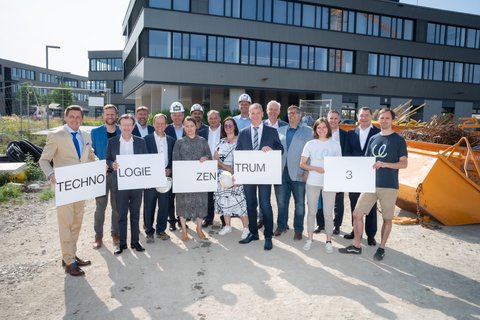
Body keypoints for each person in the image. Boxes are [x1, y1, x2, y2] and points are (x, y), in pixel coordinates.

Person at [339, 108, 408, 260]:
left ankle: (381, 247)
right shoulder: (374, 138)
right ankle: (357, 246)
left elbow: (404, 164)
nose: (384, 120)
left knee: (387, 219)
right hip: (369, 184)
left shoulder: (398, 140)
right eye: (382, 118)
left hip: (389, 185)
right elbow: (366, 162)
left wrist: (385, 164)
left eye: (387, 118)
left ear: (392, 120)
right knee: (357, 214)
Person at [39, 105, 96, 276]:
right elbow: (44, 160)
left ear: (82, 118)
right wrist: (50, 174)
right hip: (64, 187)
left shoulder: (85, 135)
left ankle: (70, 255)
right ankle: (69, 261)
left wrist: (101, 165)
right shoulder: (56, 136)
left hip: (81, 187)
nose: (75, 119)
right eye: (72, 116)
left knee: (77, 223)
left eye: (78, 117)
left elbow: (91, 157)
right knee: (66, 224)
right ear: (65, 117)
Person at [236, 103, 283, 251]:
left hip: (265, 174)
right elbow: (238, 153)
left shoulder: (271, 131)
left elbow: (280, 149)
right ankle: (253, 233)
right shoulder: (243, 133)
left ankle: (268, 236)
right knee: (250, 204)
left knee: (265, 204)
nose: (255, 115)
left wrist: (272, 149)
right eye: (252, 113)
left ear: (262, 114)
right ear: (248, 115)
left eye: (258, 113)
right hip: (248, 175)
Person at [106, 113, 148, 255]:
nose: (126, 127)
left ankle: (135, 241)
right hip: (120, 184)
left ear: (133, 126)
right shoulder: (112, 142)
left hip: (136, 184)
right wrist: (112, 164)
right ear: (119, 126)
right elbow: (107, 159)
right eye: (124, 125)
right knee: (121, 214)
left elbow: (145, 162)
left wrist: (146, 180)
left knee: (135, 214)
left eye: (129, 125)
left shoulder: (140, 142)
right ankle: (122, 243)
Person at [300, 118, 342, 253]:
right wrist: (314, 168)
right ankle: (310, 238)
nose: (322, 130)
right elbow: (302, 164)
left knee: (328, 213)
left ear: (328, 128)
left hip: (329, 183)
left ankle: (329, 241)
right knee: (311, 211)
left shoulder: (335, 145)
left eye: (324, 127)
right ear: (315, 129)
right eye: (319, 128)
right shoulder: (310, 144)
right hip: (313, 182)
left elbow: (339, 165)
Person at [343, 107, 381, 246]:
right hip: (354, 175)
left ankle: (371, 235)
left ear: (371, 117)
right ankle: (355, 231)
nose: (363, 118)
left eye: (366, 115)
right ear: (357, 117)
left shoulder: (378, 133)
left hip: (371, 175)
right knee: (354, 205)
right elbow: (346, 153)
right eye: (361, 115)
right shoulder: (350, 133)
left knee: (370, 206)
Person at [274, 105, 312, 240]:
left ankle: (298, 229)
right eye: (289, 113)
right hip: (282, 172)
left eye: (295, 113)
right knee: (282, 202)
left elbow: (311, 153)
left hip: (299, 172)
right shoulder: (280, 130)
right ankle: (281, 226)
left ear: (300, 115)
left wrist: (308, 170)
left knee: (300, 204)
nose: (292, 115)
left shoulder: (308, 131)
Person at [172, 116, 212, 241]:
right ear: (183, 127)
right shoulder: (179, 142)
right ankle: (184, 230)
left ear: (196, 127)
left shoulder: (203, 141)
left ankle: (199, 228)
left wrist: (205, 158)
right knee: (183, 204)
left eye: (192, 126)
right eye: (187, 126)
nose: (189, 128)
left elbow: (209, 157)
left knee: (201, 203)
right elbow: (175, 161)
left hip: (199, 181)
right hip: (184, 180)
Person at [90, 104, 121, 250]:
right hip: (101, 176)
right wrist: (98, 164)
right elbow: (91, 152)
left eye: (112, 114)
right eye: (107, 114)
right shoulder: (95, 132)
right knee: (100, 207)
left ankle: (115, 233)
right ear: (103, 115)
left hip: (118, 176)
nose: (110, 117)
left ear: (116, 115)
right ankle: (98, 236)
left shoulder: (123, 131)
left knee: (116, 208)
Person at [214, 117, 249, 239]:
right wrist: (225, 167)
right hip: (222, 177)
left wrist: (234, 171)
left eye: (230, 125)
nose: (228, 127)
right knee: (224, 202)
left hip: (237, 177)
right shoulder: (220, 142)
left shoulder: (241, 141)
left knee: (241, 202)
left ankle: (246, 228)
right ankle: (227, 226)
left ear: (235, 126)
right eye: (226, 125)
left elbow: (245, 159)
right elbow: (215, 159)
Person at [143, 113, 175, 243]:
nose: (160, 126)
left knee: (164, 205)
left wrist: (170, 169)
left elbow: (174, 158)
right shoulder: (146, 139)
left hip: (165, 179)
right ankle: (149, 231)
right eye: (157, 123)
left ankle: (161, 230)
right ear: (154, 124)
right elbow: (142, 160)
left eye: (162, 123)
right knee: (149, 206)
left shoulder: (172, 141)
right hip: (151, 179)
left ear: (166, 125)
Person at [315, 110, 347, 235]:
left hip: (338, 172)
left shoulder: (346, 135)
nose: (333, 121)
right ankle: (320, 224)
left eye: (335, 118)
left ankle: (337, 225)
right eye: (330, 118)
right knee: (320, 199)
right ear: (327, 120)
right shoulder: (320, 134)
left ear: (339, 119)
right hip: (321, 172)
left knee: (338, 200)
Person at [263, 100, 288, 232]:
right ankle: (263, 218)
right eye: (270, 109)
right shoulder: (260, 125)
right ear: (267, 111)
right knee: (263, 197)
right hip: (264, 169)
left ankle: (281, 224)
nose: (272, 112)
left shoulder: (285, 126)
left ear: (279, 112)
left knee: (281, 199)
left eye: (275, 109)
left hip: (281, 168)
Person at [164, 101, 185, 231]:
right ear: (171, 116)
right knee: (170, 198)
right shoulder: (166, 129)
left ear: (183, 115)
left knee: (182, 197)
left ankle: (181, 220)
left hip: (184, 170)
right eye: (174, 115)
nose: (177, 117)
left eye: (179, 114)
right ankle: (171, 221)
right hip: (170, 169)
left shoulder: (189, 127)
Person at [202, 109, 223, 228]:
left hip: (222, 166)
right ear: (208, 119)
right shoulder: (202, 131)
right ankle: (209, 218)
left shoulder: (225, 130)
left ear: (219, 119)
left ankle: (224, 219)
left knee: (222, 193)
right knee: (209, 195)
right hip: (207, 167)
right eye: (211, 118)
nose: (213, 120)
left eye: (215, 118)